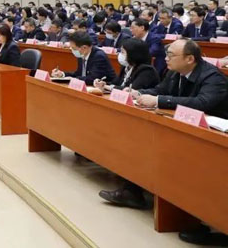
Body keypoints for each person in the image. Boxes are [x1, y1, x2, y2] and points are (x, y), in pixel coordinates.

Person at [100, 39, 228, 228]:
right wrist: (139, 93)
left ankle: (196, 216)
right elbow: (160, 90)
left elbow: (202, 103)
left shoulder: (213, 77)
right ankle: (133, 191)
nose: (165, 59)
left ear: (190, 59)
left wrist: (159, 100)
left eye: (171, 55)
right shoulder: (175, 72)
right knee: (142, 140)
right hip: (184, 127)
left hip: (213, 136)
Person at [50, 31, 117, 85]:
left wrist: (73, 79)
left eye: (74, 48)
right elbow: (79, 74)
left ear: (84, 47)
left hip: (105, 88)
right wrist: (62, 74)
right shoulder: (81, 54)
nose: (72, 50)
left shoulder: (98, 56)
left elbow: (92, 79)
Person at [94, 38, 159, 91]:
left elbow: (131, 90)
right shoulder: (126, 67)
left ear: (133, 54)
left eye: (122, 52)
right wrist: (103, 83)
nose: (120, 55)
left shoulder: (147, 70)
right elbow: (116, 83)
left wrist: (108, 87)